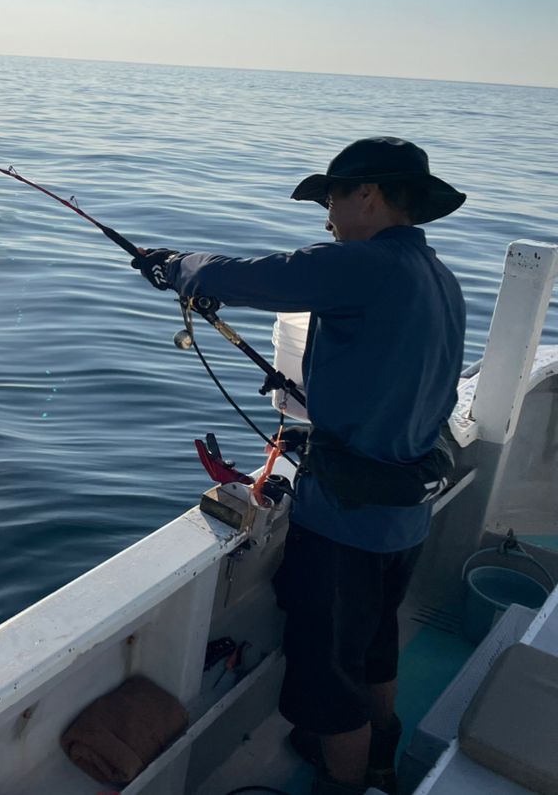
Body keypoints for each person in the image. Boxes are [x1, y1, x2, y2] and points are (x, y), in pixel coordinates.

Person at [132, 137, 466, 795]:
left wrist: (177, 266)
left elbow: (262, 275)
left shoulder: (364, 266)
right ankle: (380, 759)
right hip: (404, 513)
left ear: (367, 194)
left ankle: (346, 785)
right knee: (373, 649)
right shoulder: (440, 278)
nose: (329, 219)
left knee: (328, 680)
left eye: (334, 200)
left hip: (348, 523)